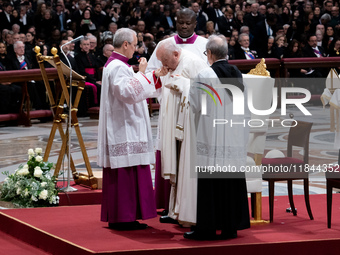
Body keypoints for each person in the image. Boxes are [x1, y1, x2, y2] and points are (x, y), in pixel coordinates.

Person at [97, 28, 167, 231]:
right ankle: (124, 218)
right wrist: (144, 73)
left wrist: (151, 75)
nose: (136, 48)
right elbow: (127, 92)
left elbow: (132, 85)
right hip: (123, 128)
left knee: (128, 171)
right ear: (125, 44)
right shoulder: (117, 66)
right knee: (126, 173)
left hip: (125, 124)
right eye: (135, 44)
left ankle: (125, 217)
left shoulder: (118, 65)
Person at [184, 35, 250, 240]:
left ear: (210, 54)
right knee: (230, 183)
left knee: (210, 184)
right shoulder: (238, 73)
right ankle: (230, 227)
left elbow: (194, 104)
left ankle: (207, 229)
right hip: (232, 137)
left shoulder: (205, 74)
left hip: (211, 137)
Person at [146, 8, 208, 217]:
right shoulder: (164, 45)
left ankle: (187, 207)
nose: (183, 26)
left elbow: (207, 79)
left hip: (191, 111)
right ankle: (170, 204)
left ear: (194, 23)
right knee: (169, 152)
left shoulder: (203, 46)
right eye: (180, 22)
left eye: (187, 23)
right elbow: (152, 73)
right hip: (169, 107)